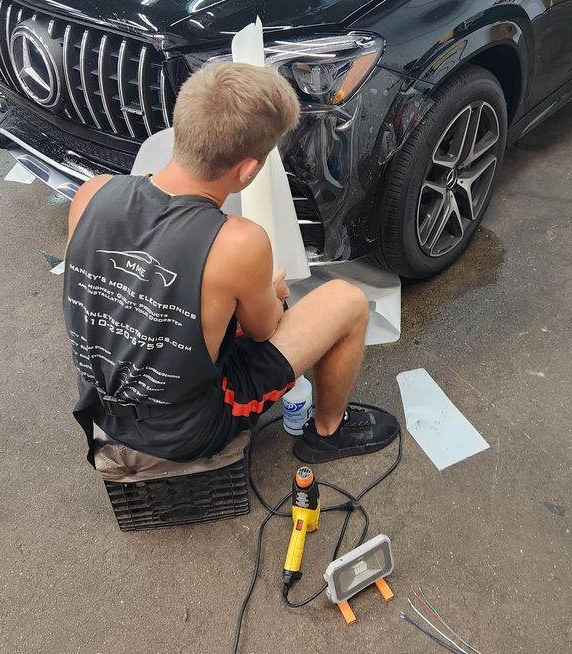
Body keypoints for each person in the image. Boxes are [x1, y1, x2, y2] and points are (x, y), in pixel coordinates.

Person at [63, 61, 399, 466]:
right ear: (248, 171)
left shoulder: (93, 192)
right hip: (188, 430)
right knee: (346, 301)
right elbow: (264, 332)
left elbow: (116, 287)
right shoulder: (238, 242)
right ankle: (328, 431)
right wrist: (272, 291)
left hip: (102, 406)